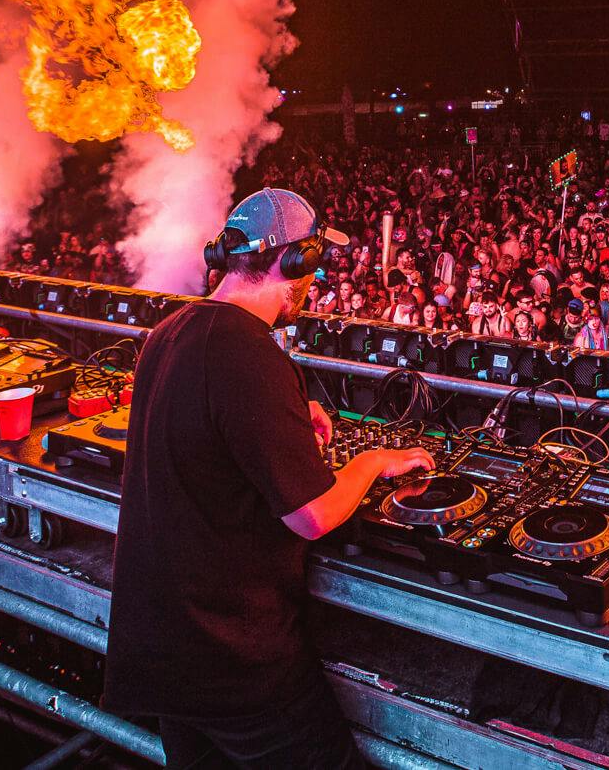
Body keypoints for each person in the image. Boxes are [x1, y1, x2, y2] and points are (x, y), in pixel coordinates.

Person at [105, 189, 435, 770]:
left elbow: (205, 428)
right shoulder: (250, 354)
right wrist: (373, 461)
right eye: (313, 262)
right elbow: (313, 515)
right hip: (231, 658)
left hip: (164, 648)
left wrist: (285, 416)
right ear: (293, 261)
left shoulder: (169, 333)